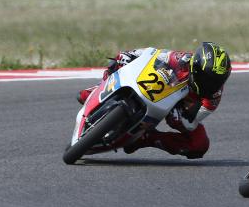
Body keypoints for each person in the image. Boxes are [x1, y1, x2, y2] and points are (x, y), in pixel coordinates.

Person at [77, 42, 232, 158]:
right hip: (161, 85)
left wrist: (182, 118)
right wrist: (128, 56)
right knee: (116, 65)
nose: (211, 84)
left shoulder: (214, 96)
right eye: (208, 78)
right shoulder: (181, 59)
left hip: (178, 108)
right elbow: (152, 53)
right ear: (196, 67)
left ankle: (146, 138)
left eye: (217, 81)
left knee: (200, 145)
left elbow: (192, 122)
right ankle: (99, 89)